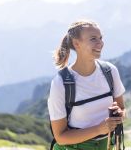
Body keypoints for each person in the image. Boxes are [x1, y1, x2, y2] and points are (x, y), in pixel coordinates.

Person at [48, 20, 126, 150]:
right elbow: (60, 137)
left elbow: (122, 109)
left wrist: (119, 115)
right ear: (76, 43)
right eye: (93, 39)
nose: (100, 43)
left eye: (101, 38)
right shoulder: (61, 83)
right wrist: (99, 129)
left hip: (107, 145)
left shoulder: (110, 71)